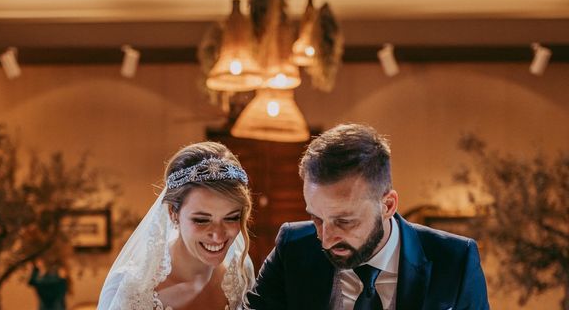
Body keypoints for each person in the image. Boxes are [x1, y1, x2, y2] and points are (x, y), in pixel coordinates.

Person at [247, 123, 489, 310]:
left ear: (388, 205)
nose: (326, 239)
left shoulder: (455, 261)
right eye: (317, 219)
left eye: (345, 221)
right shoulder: (293, 248)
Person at [98, 141, 254, 310]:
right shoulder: (128, 289)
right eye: (201, 220)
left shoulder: (241, 275)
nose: (218, 235)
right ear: (173, 213)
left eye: (231, 218)